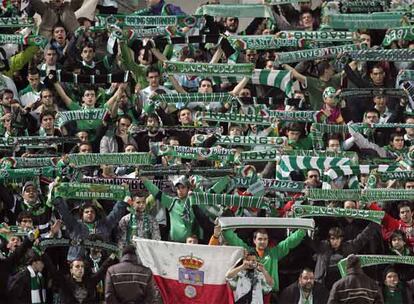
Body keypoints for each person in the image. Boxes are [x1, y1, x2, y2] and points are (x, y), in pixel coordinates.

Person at [217, 225, 306, 293]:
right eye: (260, 239)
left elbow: (289, 242)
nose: (263, 242)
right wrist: (223, 225)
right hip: (250, 293)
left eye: (265, 239)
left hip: (270, 294)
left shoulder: (274, 253)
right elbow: (233, 239)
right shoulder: (247, 252)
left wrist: (303, 229)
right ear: (254, 240)